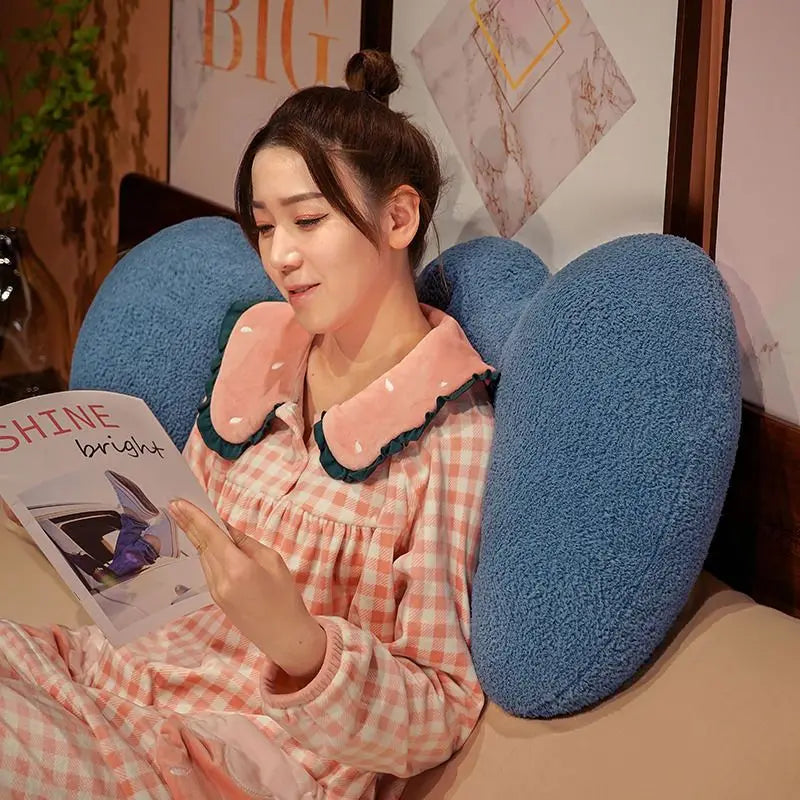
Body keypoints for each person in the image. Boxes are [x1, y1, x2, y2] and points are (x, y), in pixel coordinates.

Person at [0, 50, 496, 800]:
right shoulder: (257, 356)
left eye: (308, 220)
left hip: (233, 759)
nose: (281, 256)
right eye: (265, 228)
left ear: (399, 217)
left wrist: (298, 643)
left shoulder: (449, 434)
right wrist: (65, 509)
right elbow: (167, 555)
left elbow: (441, 710)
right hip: (109, 681)